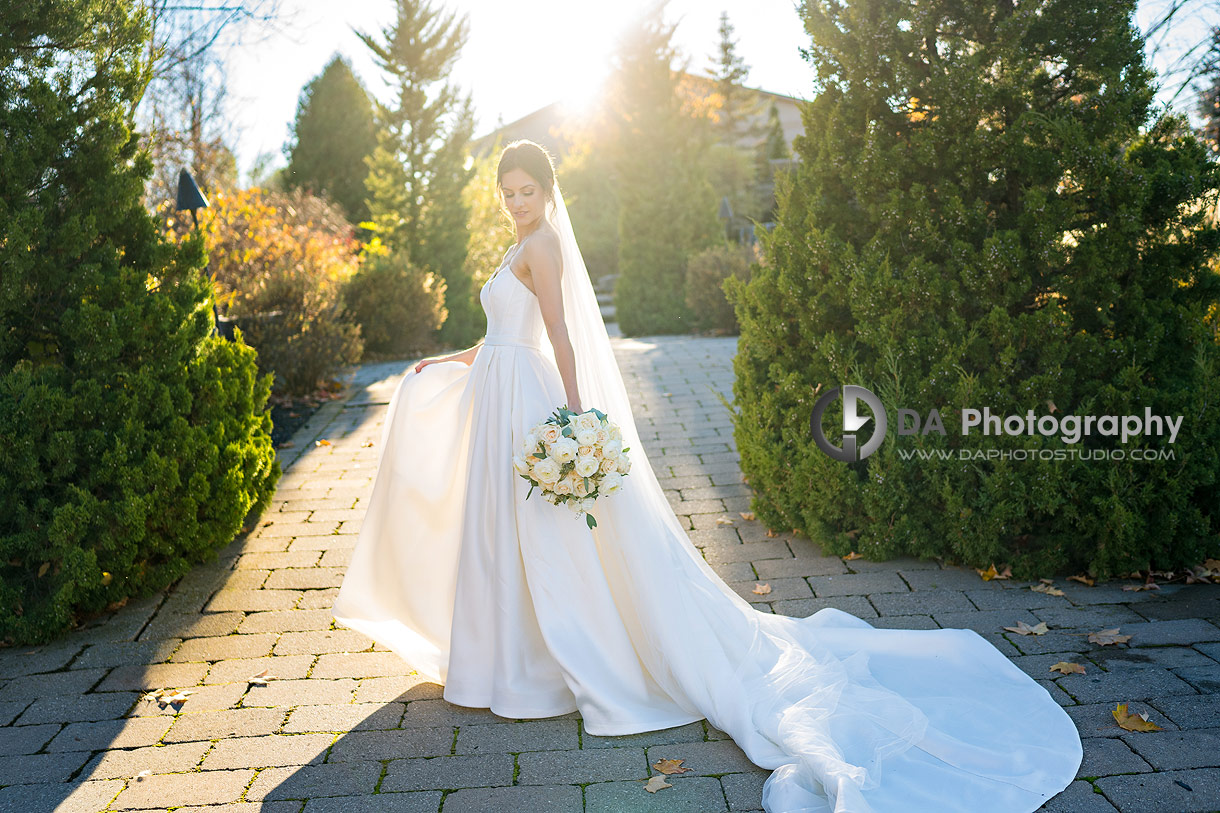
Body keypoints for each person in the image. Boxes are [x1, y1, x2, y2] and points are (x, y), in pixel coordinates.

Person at [331, 139, 1082, 812]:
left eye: (526, 190)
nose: (516, 200)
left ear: (548, 190)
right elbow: (501, 332)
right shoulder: (515, 243)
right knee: (500, 532)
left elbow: (559, 333)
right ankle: (503, 661)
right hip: (497, 388)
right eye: (508, 191)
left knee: (546, 535)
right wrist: (450, 362)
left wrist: (574, 418)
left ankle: (557, 663)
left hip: (531, 401)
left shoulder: (548, 243)